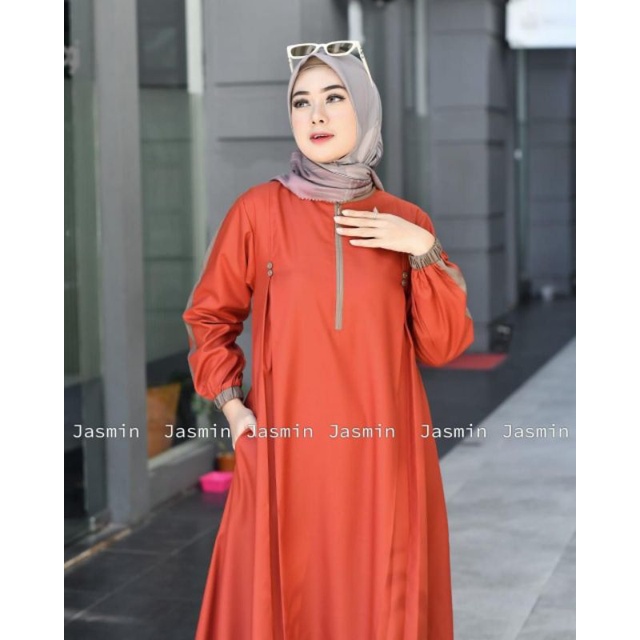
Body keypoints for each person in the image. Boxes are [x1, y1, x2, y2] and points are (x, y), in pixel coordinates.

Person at [183, 41, 474, 640]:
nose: (316, 115)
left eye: (334, 98)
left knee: (380, 590)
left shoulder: (407, 220)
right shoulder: (259, 211)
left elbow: (443, 345)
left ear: (363, 106)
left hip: (384, 449)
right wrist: (233, 407)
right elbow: (210, 315)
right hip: (286, 446)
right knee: (288, 591)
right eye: (302, 102)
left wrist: (421, 249)